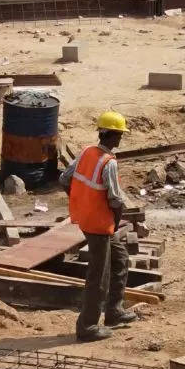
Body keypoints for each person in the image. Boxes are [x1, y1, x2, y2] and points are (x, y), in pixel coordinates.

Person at [60, 111, 136, 342]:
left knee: (120, 259)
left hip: (88, 220)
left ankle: (114, 312)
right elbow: (116, 199)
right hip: (100, 225)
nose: (120, 139)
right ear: (112, 135)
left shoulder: (86, 153)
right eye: (119, 135)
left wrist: (82, 203)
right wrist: (115, 220)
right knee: (98, 276)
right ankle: (88, 327)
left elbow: (65, 179)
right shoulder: (108, 162)